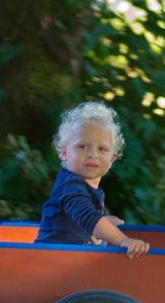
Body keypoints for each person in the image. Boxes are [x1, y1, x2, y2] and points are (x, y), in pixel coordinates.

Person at [35, 102, 150, 258]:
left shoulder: (87, 188)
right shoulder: (69, 185)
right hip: (49, 262)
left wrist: (104, 221)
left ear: (112, 158)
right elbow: (87, 217)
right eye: (82, 146)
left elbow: (83, 220)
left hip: (70, 264)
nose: (92, 154)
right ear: (64, 152)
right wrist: (123, 240)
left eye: (102, 149)